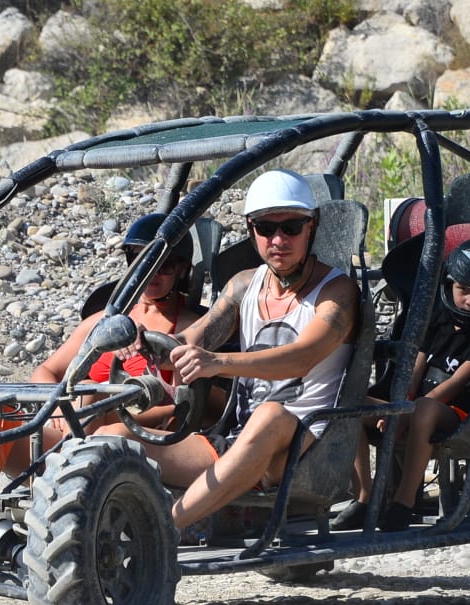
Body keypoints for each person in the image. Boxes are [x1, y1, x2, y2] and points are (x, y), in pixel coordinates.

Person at [99, 169, 360, 531]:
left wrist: (217, 364)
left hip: (304, 445)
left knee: (269, 414)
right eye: (267, 228)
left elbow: (301, 357)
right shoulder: (243, 285)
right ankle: (97, 539)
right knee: (108, 440)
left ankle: (163, 531)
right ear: (252, 229)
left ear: (311, 226)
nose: (278, 239)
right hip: (235, 441)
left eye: (291, 227)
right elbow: (195, 340)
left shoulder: (338, 292)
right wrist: (152, 345)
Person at [0, 212, 205, 479]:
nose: (152, 273)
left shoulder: (192, 329)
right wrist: (61, 405)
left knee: (90, 396)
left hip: (125, 441)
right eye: (141, 261)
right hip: (68, 434)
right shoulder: (102, 321)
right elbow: (46, 371)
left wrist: (106, 409)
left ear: (183, 269)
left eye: (164, 265)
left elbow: (183, 409)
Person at [333, 238, 470, 531]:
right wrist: (400, 404)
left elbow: (458, 381)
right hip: (412, 403)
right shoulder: (436, 316)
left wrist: (408, 412)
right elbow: (415, 367)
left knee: (426, 409)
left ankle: (404, 503)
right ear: (450, 285)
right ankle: (365, 498)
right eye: (464, 290)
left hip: (458, 412)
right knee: (350, 404)